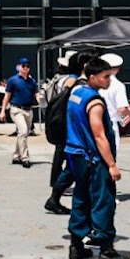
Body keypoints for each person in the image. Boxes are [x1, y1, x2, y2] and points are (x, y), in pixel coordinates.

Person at [64, 57, 130, 259]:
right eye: (105, 77)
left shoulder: (76, 93)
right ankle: (106, 250)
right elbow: (99, 135)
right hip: (92, 158)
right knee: (103, 201)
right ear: (93, 77)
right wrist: (111, 164)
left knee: (80, 197)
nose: (109, 80)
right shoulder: (94, 102)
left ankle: (76, 244)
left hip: (74, 154)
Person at [43, 53, 85, 214]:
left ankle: (55, 190)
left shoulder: (57, 78)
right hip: (67, 124)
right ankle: (57, 190)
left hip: (60, 122)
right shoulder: (72, 80)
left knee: (63, 157)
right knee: (69, 159)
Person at [0, 57, 40, 167]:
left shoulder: (32, 81)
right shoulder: (13, 80)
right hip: (16, 109)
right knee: (23, 131)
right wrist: (3, 111)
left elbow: (36, 94)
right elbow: (7, 96)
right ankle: (25, 157)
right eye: (23, 66)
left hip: (28, 109)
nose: (26, 68)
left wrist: (42, 102)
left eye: (28, 66)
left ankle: (16, 155)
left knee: (24, 134)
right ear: (19, 67)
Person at [101, 53, 130, 142]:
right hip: (110, 123)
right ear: (117, 69)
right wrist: (129, 111)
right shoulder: (118, 85)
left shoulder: (94, 82)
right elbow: (122, 109)